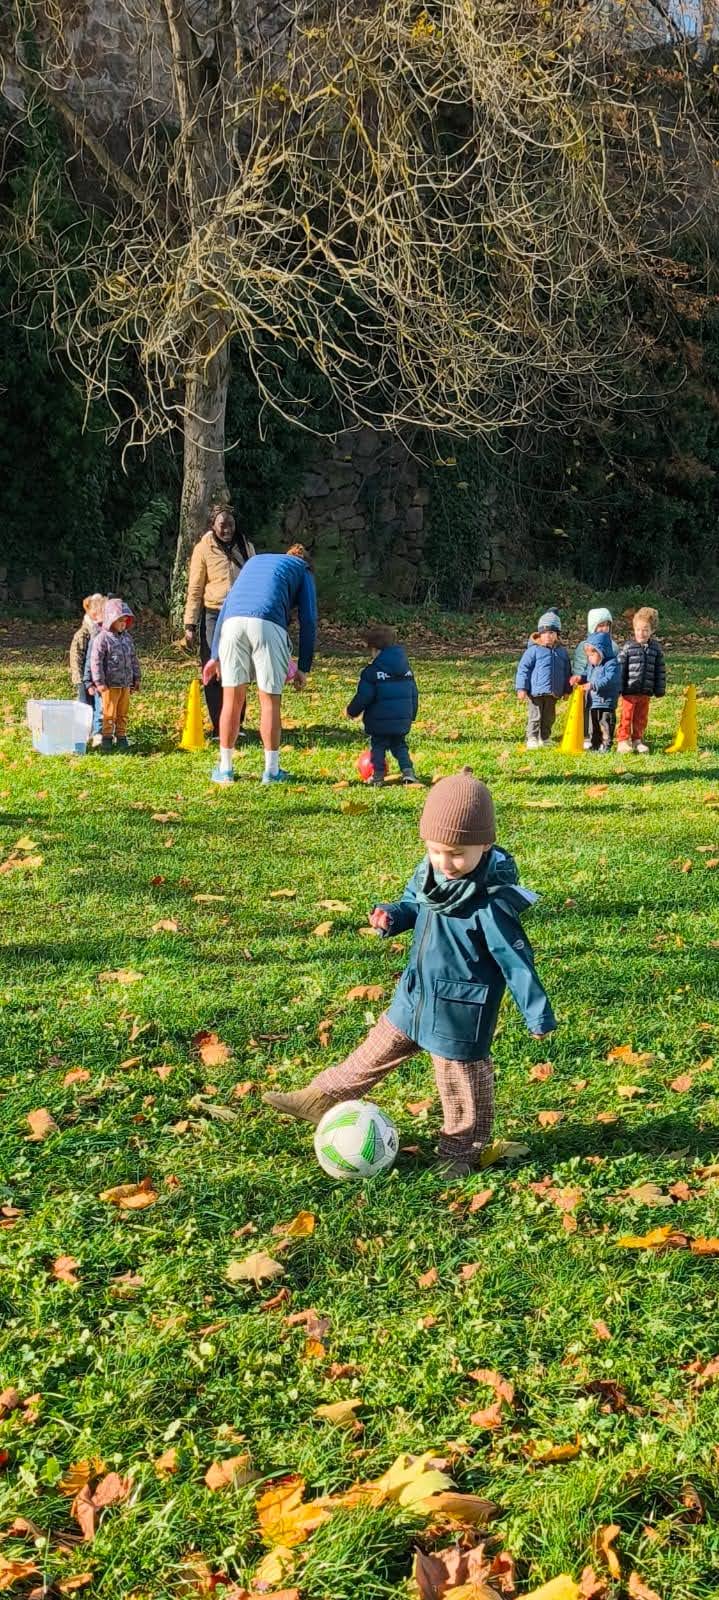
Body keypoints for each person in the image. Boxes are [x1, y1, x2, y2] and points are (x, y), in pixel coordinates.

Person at [264, 769, 557, 1176]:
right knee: (374, 1050)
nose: (446, 863)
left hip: (460, 1010)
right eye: (437, 851)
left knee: (461, 1086)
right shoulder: (429, 874)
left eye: (457, 853)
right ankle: (320, 1099)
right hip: (415, 994)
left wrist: (537, 1013)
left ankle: (460, 1153)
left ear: (485, 845)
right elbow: (414, 904)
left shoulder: (492, 903)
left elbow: (515, 960)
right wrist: (393, 916)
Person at [203, 546, 317, 785]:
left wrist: (214, 656)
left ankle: (225, 769)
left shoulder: (254, 563)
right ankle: (271, 771)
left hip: (232, 624)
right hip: (267, 622)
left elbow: (225, 607)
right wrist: (304, 667)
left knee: (232, 699)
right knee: (269, 700)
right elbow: (308, 619)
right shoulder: (302, 570)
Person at [183, 505, 255, 737]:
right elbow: (195, 588)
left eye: (230, 525)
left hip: (241, 613)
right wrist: (190, 625)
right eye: (222, 525)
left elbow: (256, 578)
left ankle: (237, 724)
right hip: (213, 614)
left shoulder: (245, 546)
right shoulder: (203, 548)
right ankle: (218, 726)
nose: (227, 529)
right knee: (214, 668)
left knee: (238, 668)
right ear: (212, 525)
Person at [346, 624, 419, 786]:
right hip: (401, 720)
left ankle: (378, 775)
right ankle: (408, 772)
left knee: (378, 747)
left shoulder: (372, 672)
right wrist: (411, 715)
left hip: (379, 721)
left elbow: (364, 696)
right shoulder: (407, 670)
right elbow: (414, 694)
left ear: (376, 650)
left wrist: (352, 711)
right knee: (400, 745)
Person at [89, 598, 141, 752]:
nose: (123, 624)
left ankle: (122, 736)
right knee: (109, 712)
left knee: (123, 712)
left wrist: (136, 677)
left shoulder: (127, 638)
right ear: (111, 620)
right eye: (120, 621)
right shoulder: (102, 639)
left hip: (125, 683)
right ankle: (106, 737)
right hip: (110, 684)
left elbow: (133, 658)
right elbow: (95, 661)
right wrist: (99, 682)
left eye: (125, 621)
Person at [515, 610, 571, 749]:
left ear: (557, 635)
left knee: (549, 717)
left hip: (554, 692)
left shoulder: (562, 652)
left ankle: (545, 737)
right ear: (540, 634)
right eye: (545, 633)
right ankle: (532, 737)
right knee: (535, 716)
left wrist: (567, 690)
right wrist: (522, 688)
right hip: (536, 691)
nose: (548, 636)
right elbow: (524, 669)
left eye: (552, 633)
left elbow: (566, 671)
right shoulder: (533, 651)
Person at [617, 606, 666, 754]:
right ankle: (623, 740)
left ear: (652, 630)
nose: (641, 633)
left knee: (641, 717)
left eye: (645, 629)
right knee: (626, 716)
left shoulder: (656, 649)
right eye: (638, 629)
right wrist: (618, 687)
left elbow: (660, 670)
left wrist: (659, 689)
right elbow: (621, 669)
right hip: (629, 690)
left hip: (645, 691)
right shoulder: (628, 647)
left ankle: (637, 739)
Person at [572, 607, 619, 748]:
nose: (604, 628)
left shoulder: (613, 646)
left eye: (607, 625)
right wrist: (579, 678)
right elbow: (582, 666)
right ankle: (587, 735)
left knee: (604, 717)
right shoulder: (585, 646)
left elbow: (613, 672)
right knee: (589, 711)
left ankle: (605, 740)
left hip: (603, 690)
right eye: (600, 625)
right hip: (587, 687)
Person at [70, 593, 106, 746]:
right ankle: (82, 734)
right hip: (84, 676)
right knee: (85, 706)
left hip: (97, 676)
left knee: (98, 705)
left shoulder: (102, 631)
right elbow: (76, 657)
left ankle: (97, 732)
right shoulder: (83, 634)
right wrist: (80, 679)